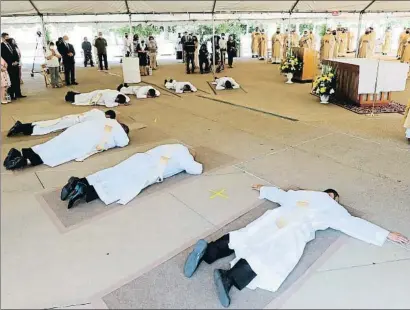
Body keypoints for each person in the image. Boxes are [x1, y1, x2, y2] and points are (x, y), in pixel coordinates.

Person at [184, 184, 409, 308]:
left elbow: (281, 194)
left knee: (245, 236)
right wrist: (386, 234)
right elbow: (353, 224)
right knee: (272, 255)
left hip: (276, 218)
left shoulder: (303, 195)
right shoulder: (332, 207)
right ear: (334, 197)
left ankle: (209, 251)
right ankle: (229, 277)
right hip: (294, 229)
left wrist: (264, 188)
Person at [60, 144, 202, 209]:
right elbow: (196, 170)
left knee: (114, 171)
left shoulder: (173, 146)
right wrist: (194, 160)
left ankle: (80, 181)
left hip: (140, 158)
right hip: (150, 169)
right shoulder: (185, 155)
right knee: (122, 184)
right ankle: (86, 191)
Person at [3, 118, 130, 171]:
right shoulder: (120, 134)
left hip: (76, 131)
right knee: (57, 153)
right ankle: (24, 161)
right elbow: (124, 142)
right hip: (83, 141)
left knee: (53, 144)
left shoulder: (107, 120)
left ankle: (23, 153)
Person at [7, 109, 116, 137]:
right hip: (71, 122)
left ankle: (22, 126)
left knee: (48, 123)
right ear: (108, 116)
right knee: (48, 128)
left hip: (72, 118)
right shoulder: (101, 117)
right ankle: (20, 128)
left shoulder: (97, 111)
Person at [1, 33, 26, 100]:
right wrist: (10, 63)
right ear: (3, 38)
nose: (8, 39)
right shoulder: (1, 46)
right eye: (6, 37)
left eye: (8, 37)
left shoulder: (11, 45)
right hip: (9, 66)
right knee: (11, 80)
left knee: (17, 79)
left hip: (15, 65)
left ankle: (18, 93)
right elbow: (3, 57)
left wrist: (16, 61)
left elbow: (16, 54)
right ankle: (11, 95)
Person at [65, 89, 130, 107]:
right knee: (83, 98)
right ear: (117, 99)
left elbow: (127, 98)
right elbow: (108, 105)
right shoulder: (109, 97)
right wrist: (118, 104)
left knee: (84, 96)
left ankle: (72, 94)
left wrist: (126, 102)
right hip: (96, 96)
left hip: (99, 93)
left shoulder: (118, 93)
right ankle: (69, 96)